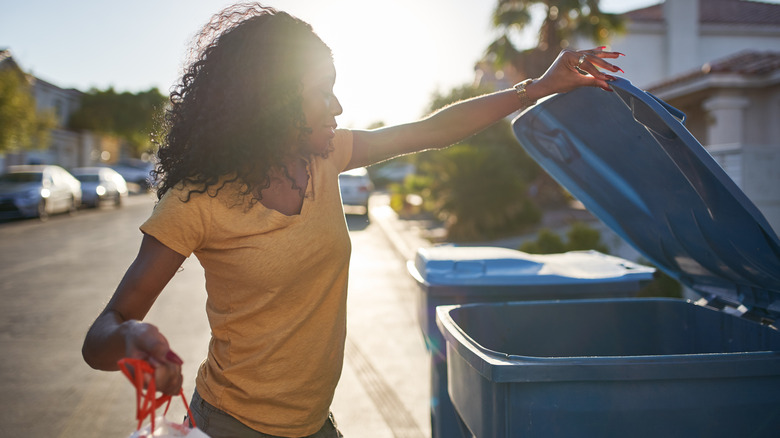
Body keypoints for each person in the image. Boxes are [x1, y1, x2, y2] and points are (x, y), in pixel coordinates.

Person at [82, 3, 623, 437]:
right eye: (321, 91)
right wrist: (130, 340)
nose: (337, 106)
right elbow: (101, 332)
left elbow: (429, 130)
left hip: (315, 424)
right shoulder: (196, 201)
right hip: (232, 425)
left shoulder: (325, 157)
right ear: (271, 103)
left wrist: (536, 87)